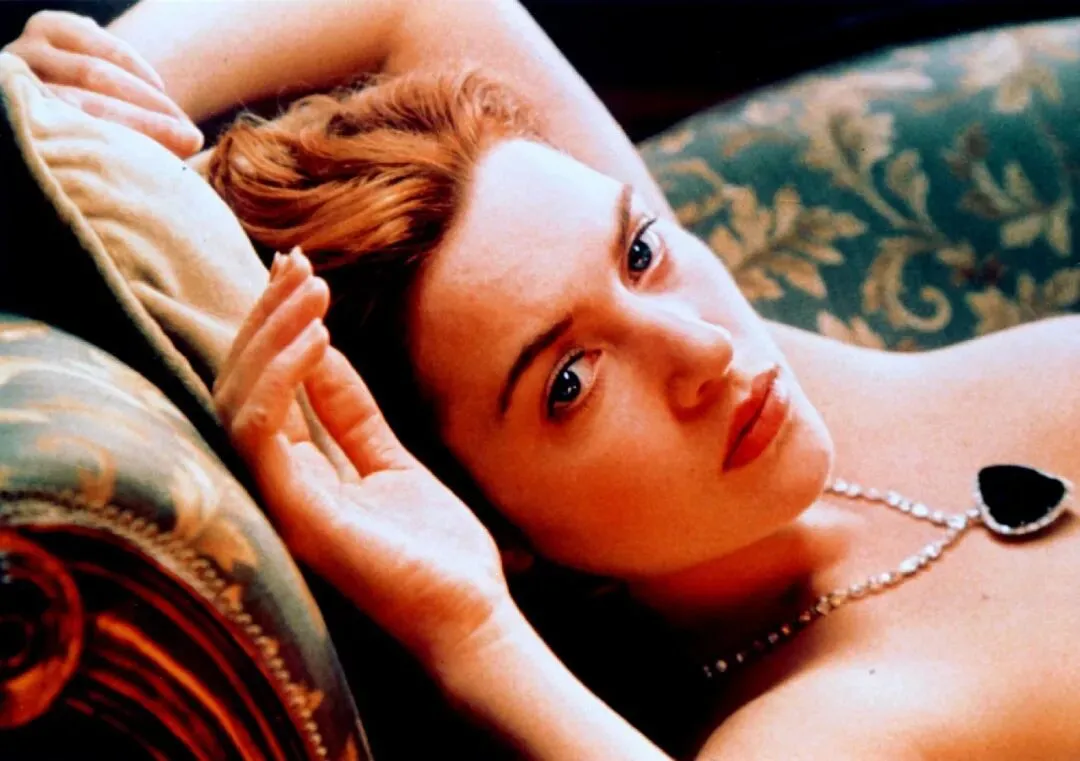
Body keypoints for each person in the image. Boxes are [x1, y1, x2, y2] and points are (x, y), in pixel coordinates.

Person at [6, 4, 1080, 759]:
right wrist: (472, 629)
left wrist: (95, 81)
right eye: (570, 381)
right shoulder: (827, 719)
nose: (699, 349)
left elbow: (429, 4)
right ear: (496, 523)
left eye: (640, 250)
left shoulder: (757, 376)